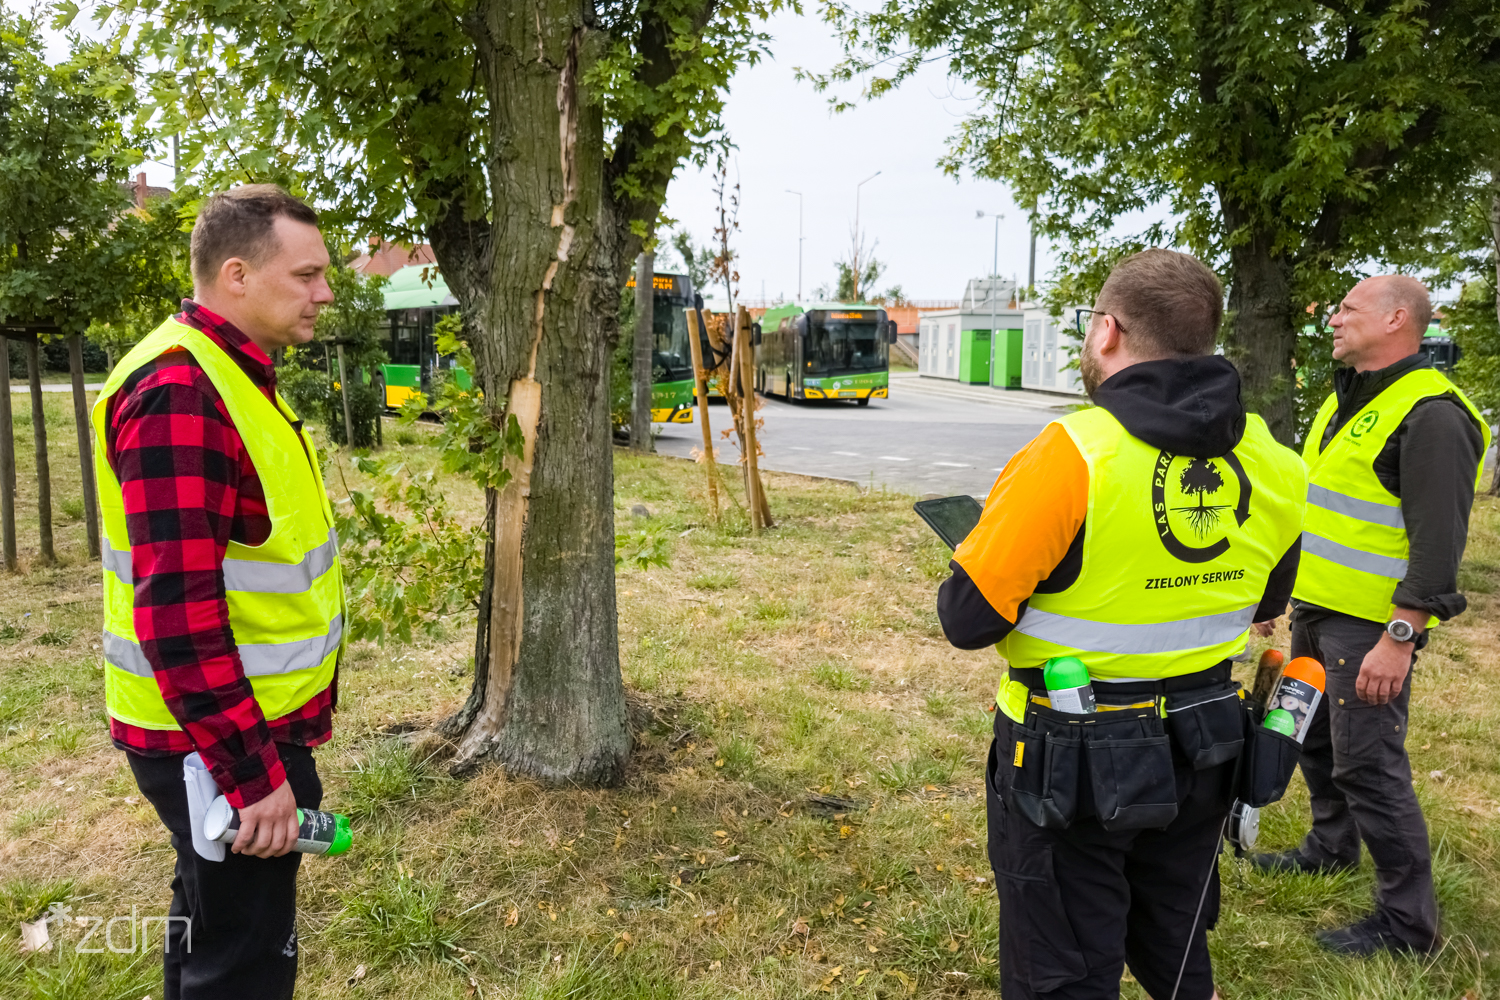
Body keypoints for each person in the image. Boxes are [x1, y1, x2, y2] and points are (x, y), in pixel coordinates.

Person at [938, 249, 1306, 1000]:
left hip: (1065, 761)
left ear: (1107, 330)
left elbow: (967, 620)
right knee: (1176, 952)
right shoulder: (1273, 458)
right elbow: (1269, 607)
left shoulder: (1072, 453)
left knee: (1063, 970)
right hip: (1205, 744)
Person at [91, 184, 342, 999]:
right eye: (306, 274)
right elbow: (178, 613)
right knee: (244, 961)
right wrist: (252, 776)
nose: (325, 292)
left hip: (226, 729)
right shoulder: (182, 393)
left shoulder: (227, 376)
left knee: (212, 926)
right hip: (224, 741)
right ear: (237, 274)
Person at [1249, 275, 1488, 956]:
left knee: (1370, 765)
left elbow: (1439, 542)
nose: (1333, 319)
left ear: (1395, 320)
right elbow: (1314, 509)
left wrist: (1401, 637)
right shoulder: (1346, 398)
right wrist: (1278, 595)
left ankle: (1409, 925)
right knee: (1315, 742)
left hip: (1372, 628)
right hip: (1319, 611)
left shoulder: (1433, 413)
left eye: (1348, 310)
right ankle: (1330, 847)